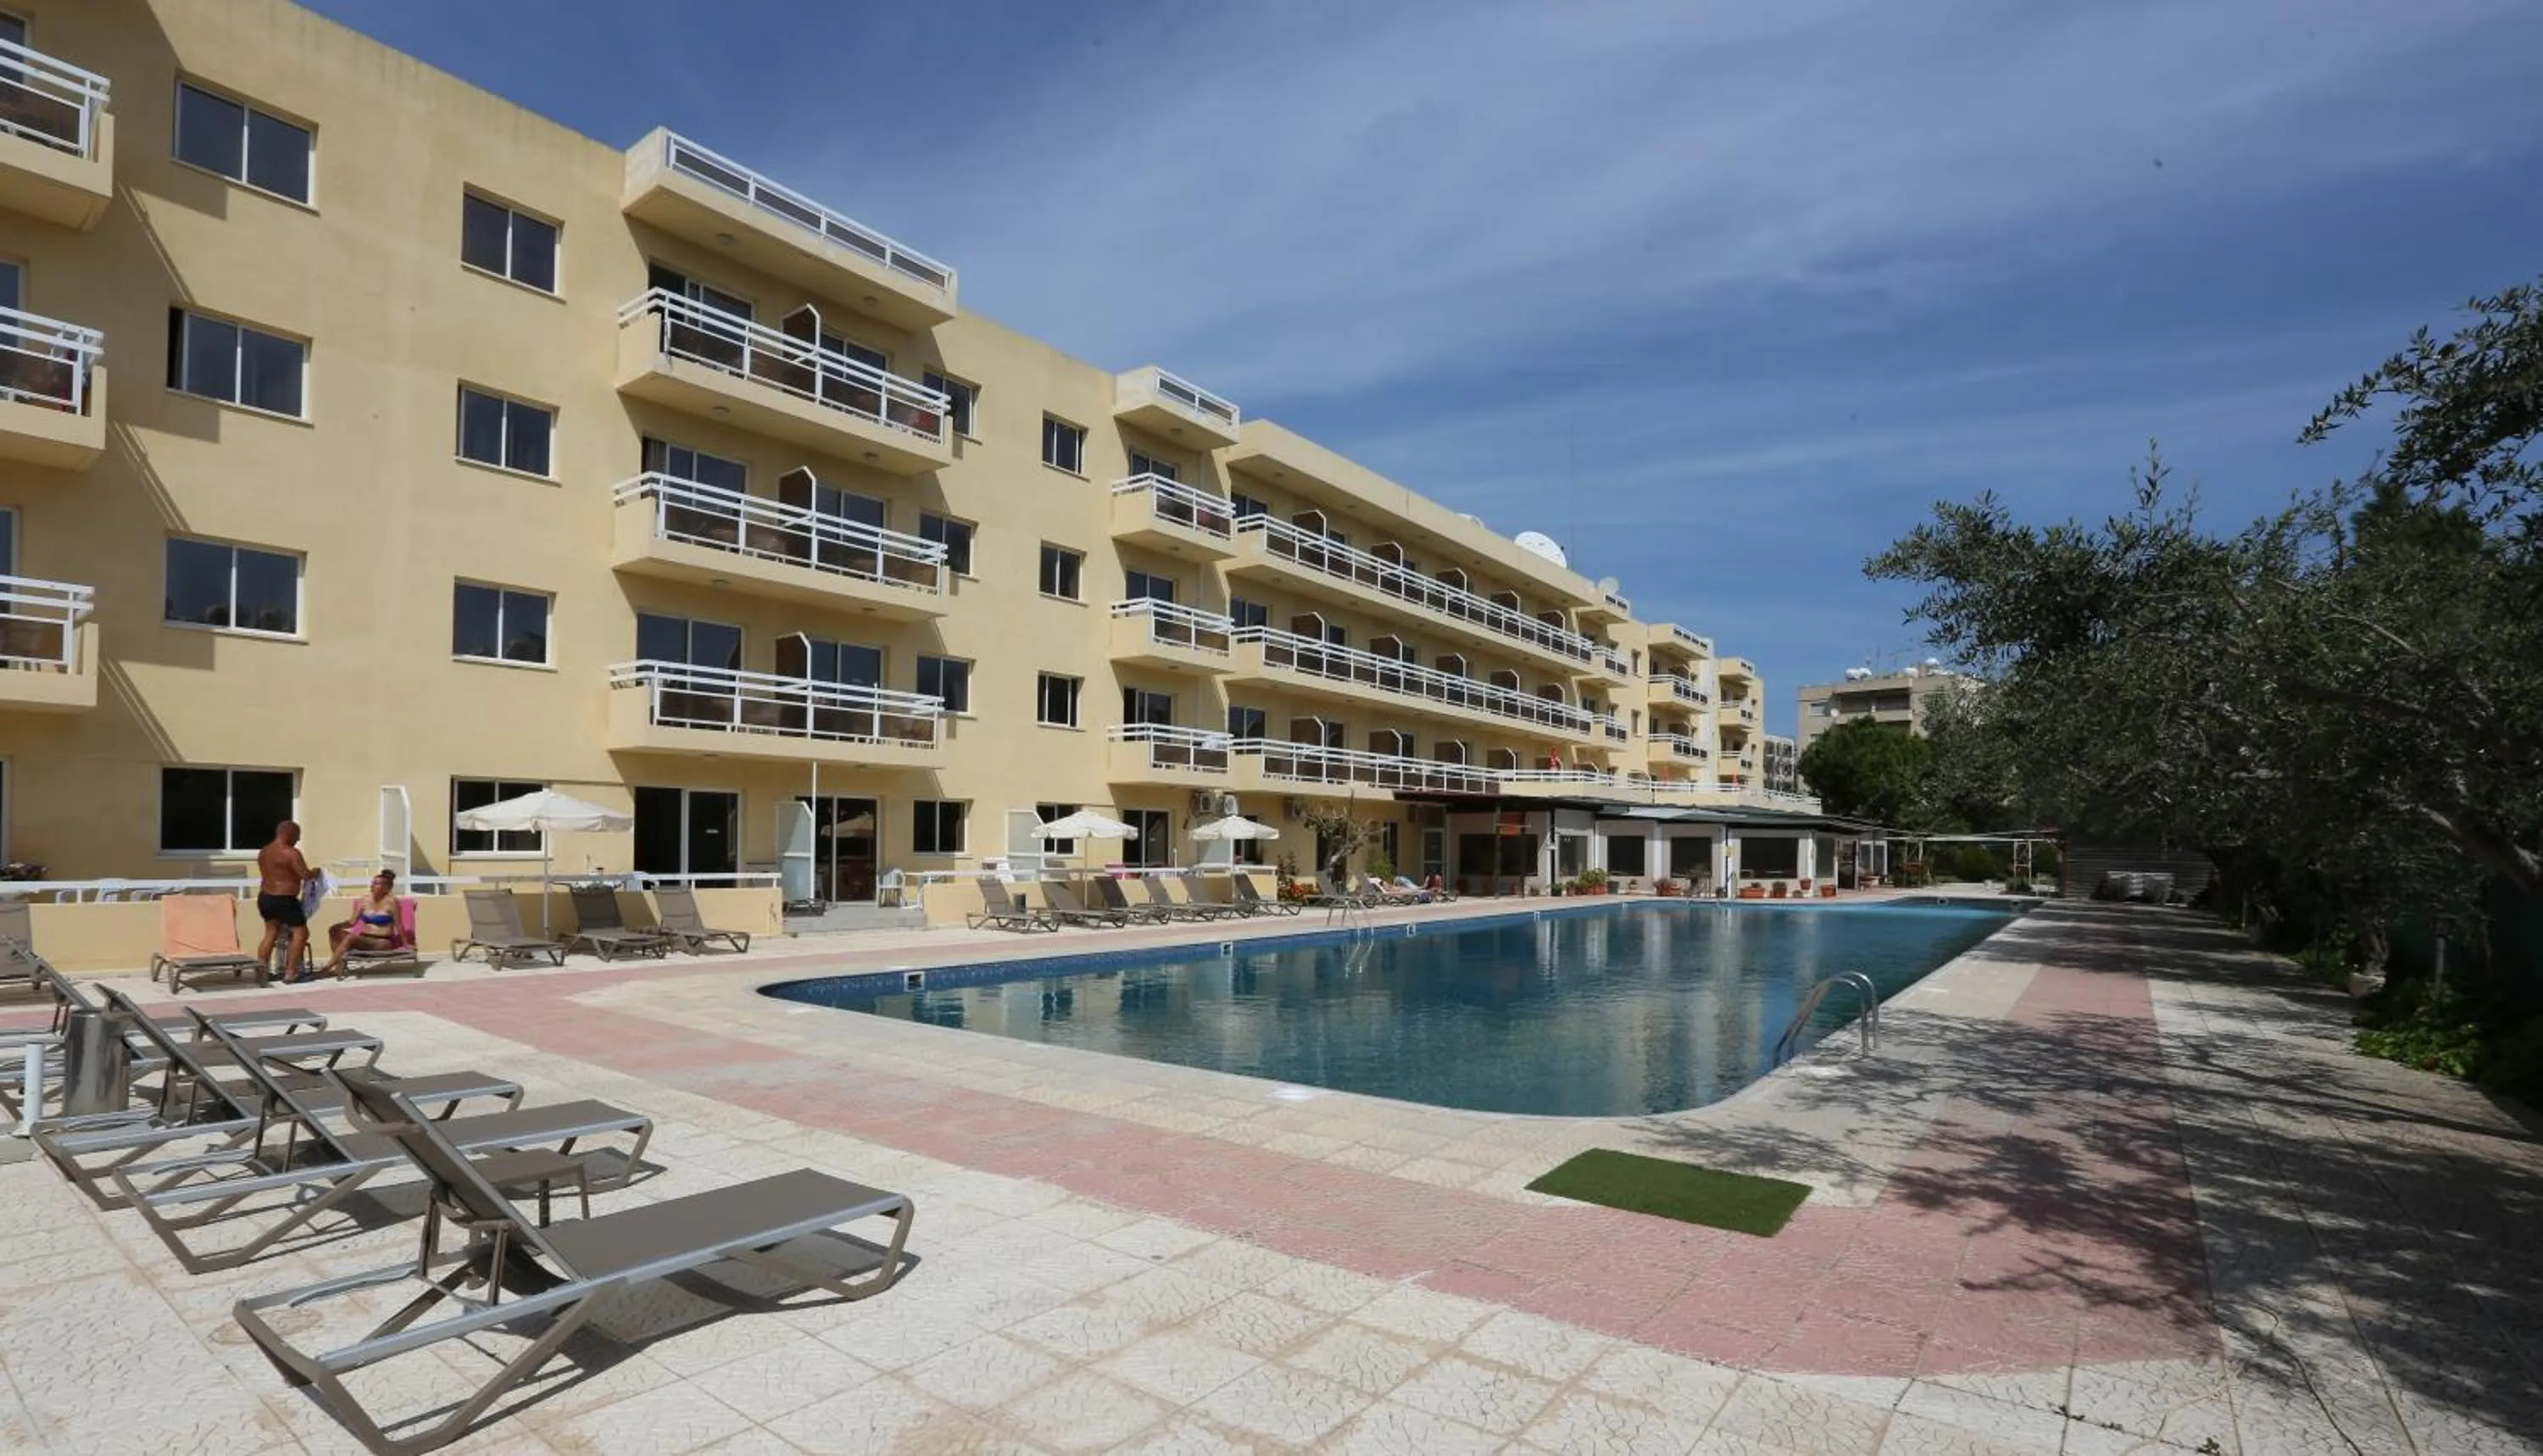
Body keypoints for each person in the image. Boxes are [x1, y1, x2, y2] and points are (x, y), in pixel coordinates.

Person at [306, 869, 400, 981]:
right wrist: (338, 926)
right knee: (334, 931)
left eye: (376, 884)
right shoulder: (364, 900)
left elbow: (399, 925)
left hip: (382, 942)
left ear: (386, 888)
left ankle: (326, 969)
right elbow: (352, 922)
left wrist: (406, 944)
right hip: (364, 939)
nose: (372, 886)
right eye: (372, 883)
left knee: (351, 937)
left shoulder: (392, 902)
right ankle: (339, 966)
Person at [253, 820, 314, 981]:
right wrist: (315, 872)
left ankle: (261, 972)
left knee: (270, 933)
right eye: (297, 836)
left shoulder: (264, 852)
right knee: (301, 933)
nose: (298, 839)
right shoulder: (291, 853)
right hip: (285, 899)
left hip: (265, 898)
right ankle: (291, 973)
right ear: (289, 833)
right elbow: (305, 875)